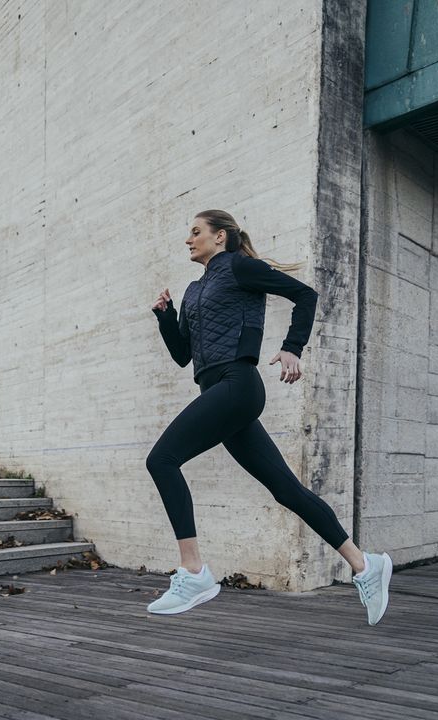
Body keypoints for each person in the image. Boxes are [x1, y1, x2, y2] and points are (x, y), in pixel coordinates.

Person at [146, 209, 392, 625]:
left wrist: (293, 346)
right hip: (217, 391)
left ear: (220, 237)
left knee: (162, 460)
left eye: (195, 232)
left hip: (237, 385)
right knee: (285, 489)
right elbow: (183, 355)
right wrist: (166, 317)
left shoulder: (241, 268)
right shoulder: (192, 290)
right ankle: (365, 565)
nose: (188, 240)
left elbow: (306, 295)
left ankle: (193, 572)